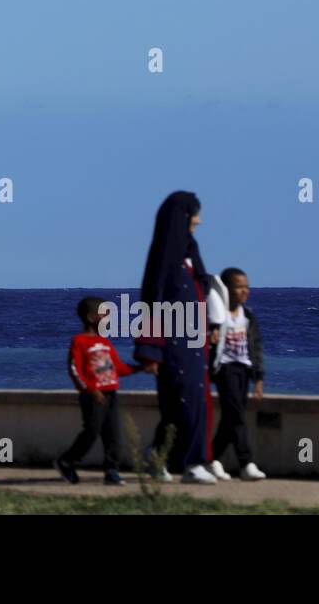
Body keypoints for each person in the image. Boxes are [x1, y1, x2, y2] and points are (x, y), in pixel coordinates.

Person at [133, 191, 217, 484]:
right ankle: (191, 465)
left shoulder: (189, 258)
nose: (199, 220)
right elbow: (152, 303)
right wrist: (151, 351)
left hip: (196, 345)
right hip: (174, 346)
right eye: (194, 214)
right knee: (184, 402)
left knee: (186, 403)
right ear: (181, 218)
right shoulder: (164, 261)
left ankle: (157, 456)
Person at [55, 296, 139, 485]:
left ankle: (111, 470)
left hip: (111, 395)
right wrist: (91, 390)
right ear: (92, 317)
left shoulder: (105, 342)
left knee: (114, 435)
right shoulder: (79, 341)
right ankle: (67, 461)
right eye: (104, 315)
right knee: (91, 432)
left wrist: (141, 368)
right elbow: (75, 369)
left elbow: (118, 368)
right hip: (93, 397)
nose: (108, 319)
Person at [209, 267, 267, 480]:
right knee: (237, 415)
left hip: (243, 369)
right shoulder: (216, 316)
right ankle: (246, 463)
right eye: (239, 287)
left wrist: (259, 379)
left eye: (246, 287)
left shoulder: (248, 315)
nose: (244, 291)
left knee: (231, 417)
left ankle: (212, 458)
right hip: (225, 368)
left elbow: (256, 347)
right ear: (226, 289)